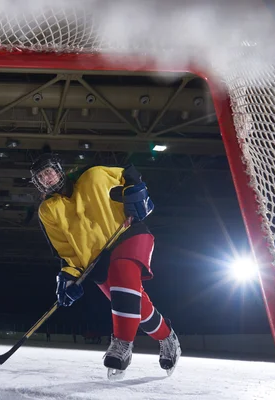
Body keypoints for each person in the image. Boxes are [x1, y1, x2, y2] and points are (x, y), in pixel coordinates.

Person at [30, 153, 181, 380]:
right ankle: (168, 338)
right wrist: (68, 278)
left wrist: (136, 190)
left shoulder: (93, 175)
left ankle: (122, 345)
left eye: (49, 171)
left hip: (128, 234)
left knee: (123, 280)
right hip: (97, 262)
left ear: (59, 169)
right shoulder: (48, 211)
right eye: (42, 177)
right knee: (134, 305)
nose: (47, 177)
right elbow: (67, 252)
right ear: (38, 183)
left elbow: (128, 173)